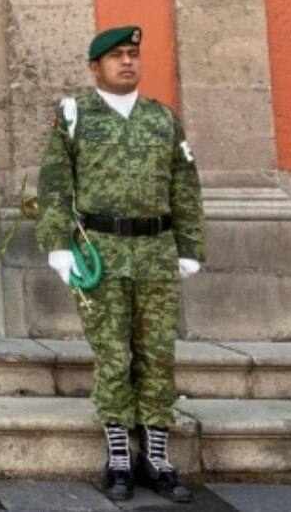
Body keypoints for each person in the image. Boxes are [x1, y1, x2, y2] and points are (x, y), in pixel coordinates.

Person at [36, 26, 205, 503]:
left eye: (133, 54)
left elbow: (185, 187)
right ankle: (117, 458)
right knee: (112, 354)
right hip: (100, 251)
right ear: (96, 68)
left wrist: (190, 248)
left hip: (156, 251)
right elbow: (54, 182)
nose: (127, 62)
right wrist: (58, 245)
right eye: (116, 57)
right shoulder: (74, 116)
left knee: (157, 354)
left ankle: (156, 457)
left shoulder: (162, 119)